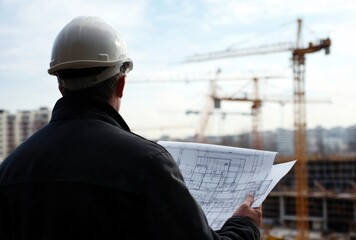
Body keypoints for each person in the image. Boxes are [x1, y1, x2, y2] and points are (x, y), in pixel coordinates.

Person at [0, 16, 262, 240]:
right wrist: (244, 225)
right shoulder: (147, 164)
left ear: (60, 85)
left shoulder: (10, 169)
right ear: (121, 84)